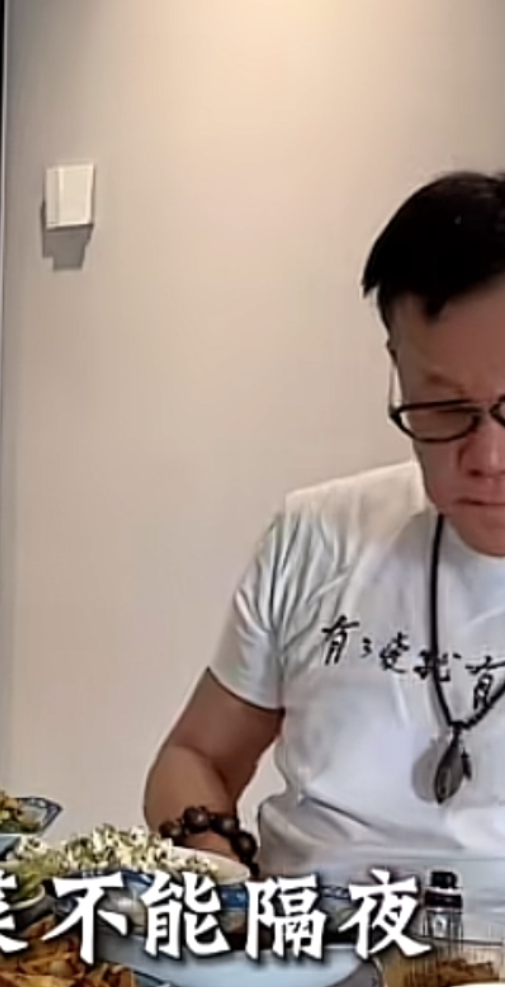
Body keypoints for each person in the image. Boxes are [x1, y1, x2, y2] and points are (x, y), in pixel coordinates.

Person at [144, 170, 505, 886]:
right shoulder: (320, 533)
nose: (488, 459)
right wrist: (220, 879)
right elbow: (195, 758)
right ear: (397, 368)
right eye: (443, 410)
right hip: (308, 941)